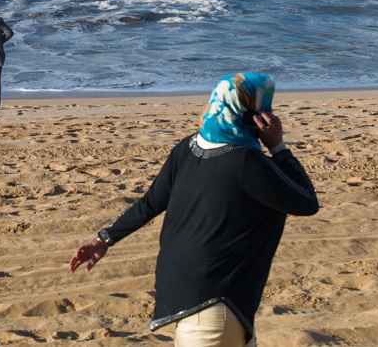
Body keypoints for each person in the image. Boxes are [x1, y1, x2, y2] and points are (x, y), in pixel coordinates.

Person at [69, 73, 318, 347]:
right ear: (252, 114)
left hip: (188, 296)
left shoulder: (188, 148)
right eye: (265, 107)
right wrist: (278, 147)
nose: (270, 113)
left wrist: (105, 238)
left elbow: (150, 203)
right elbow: (306, 201)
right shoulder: (248, 162)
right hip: (216, 308)